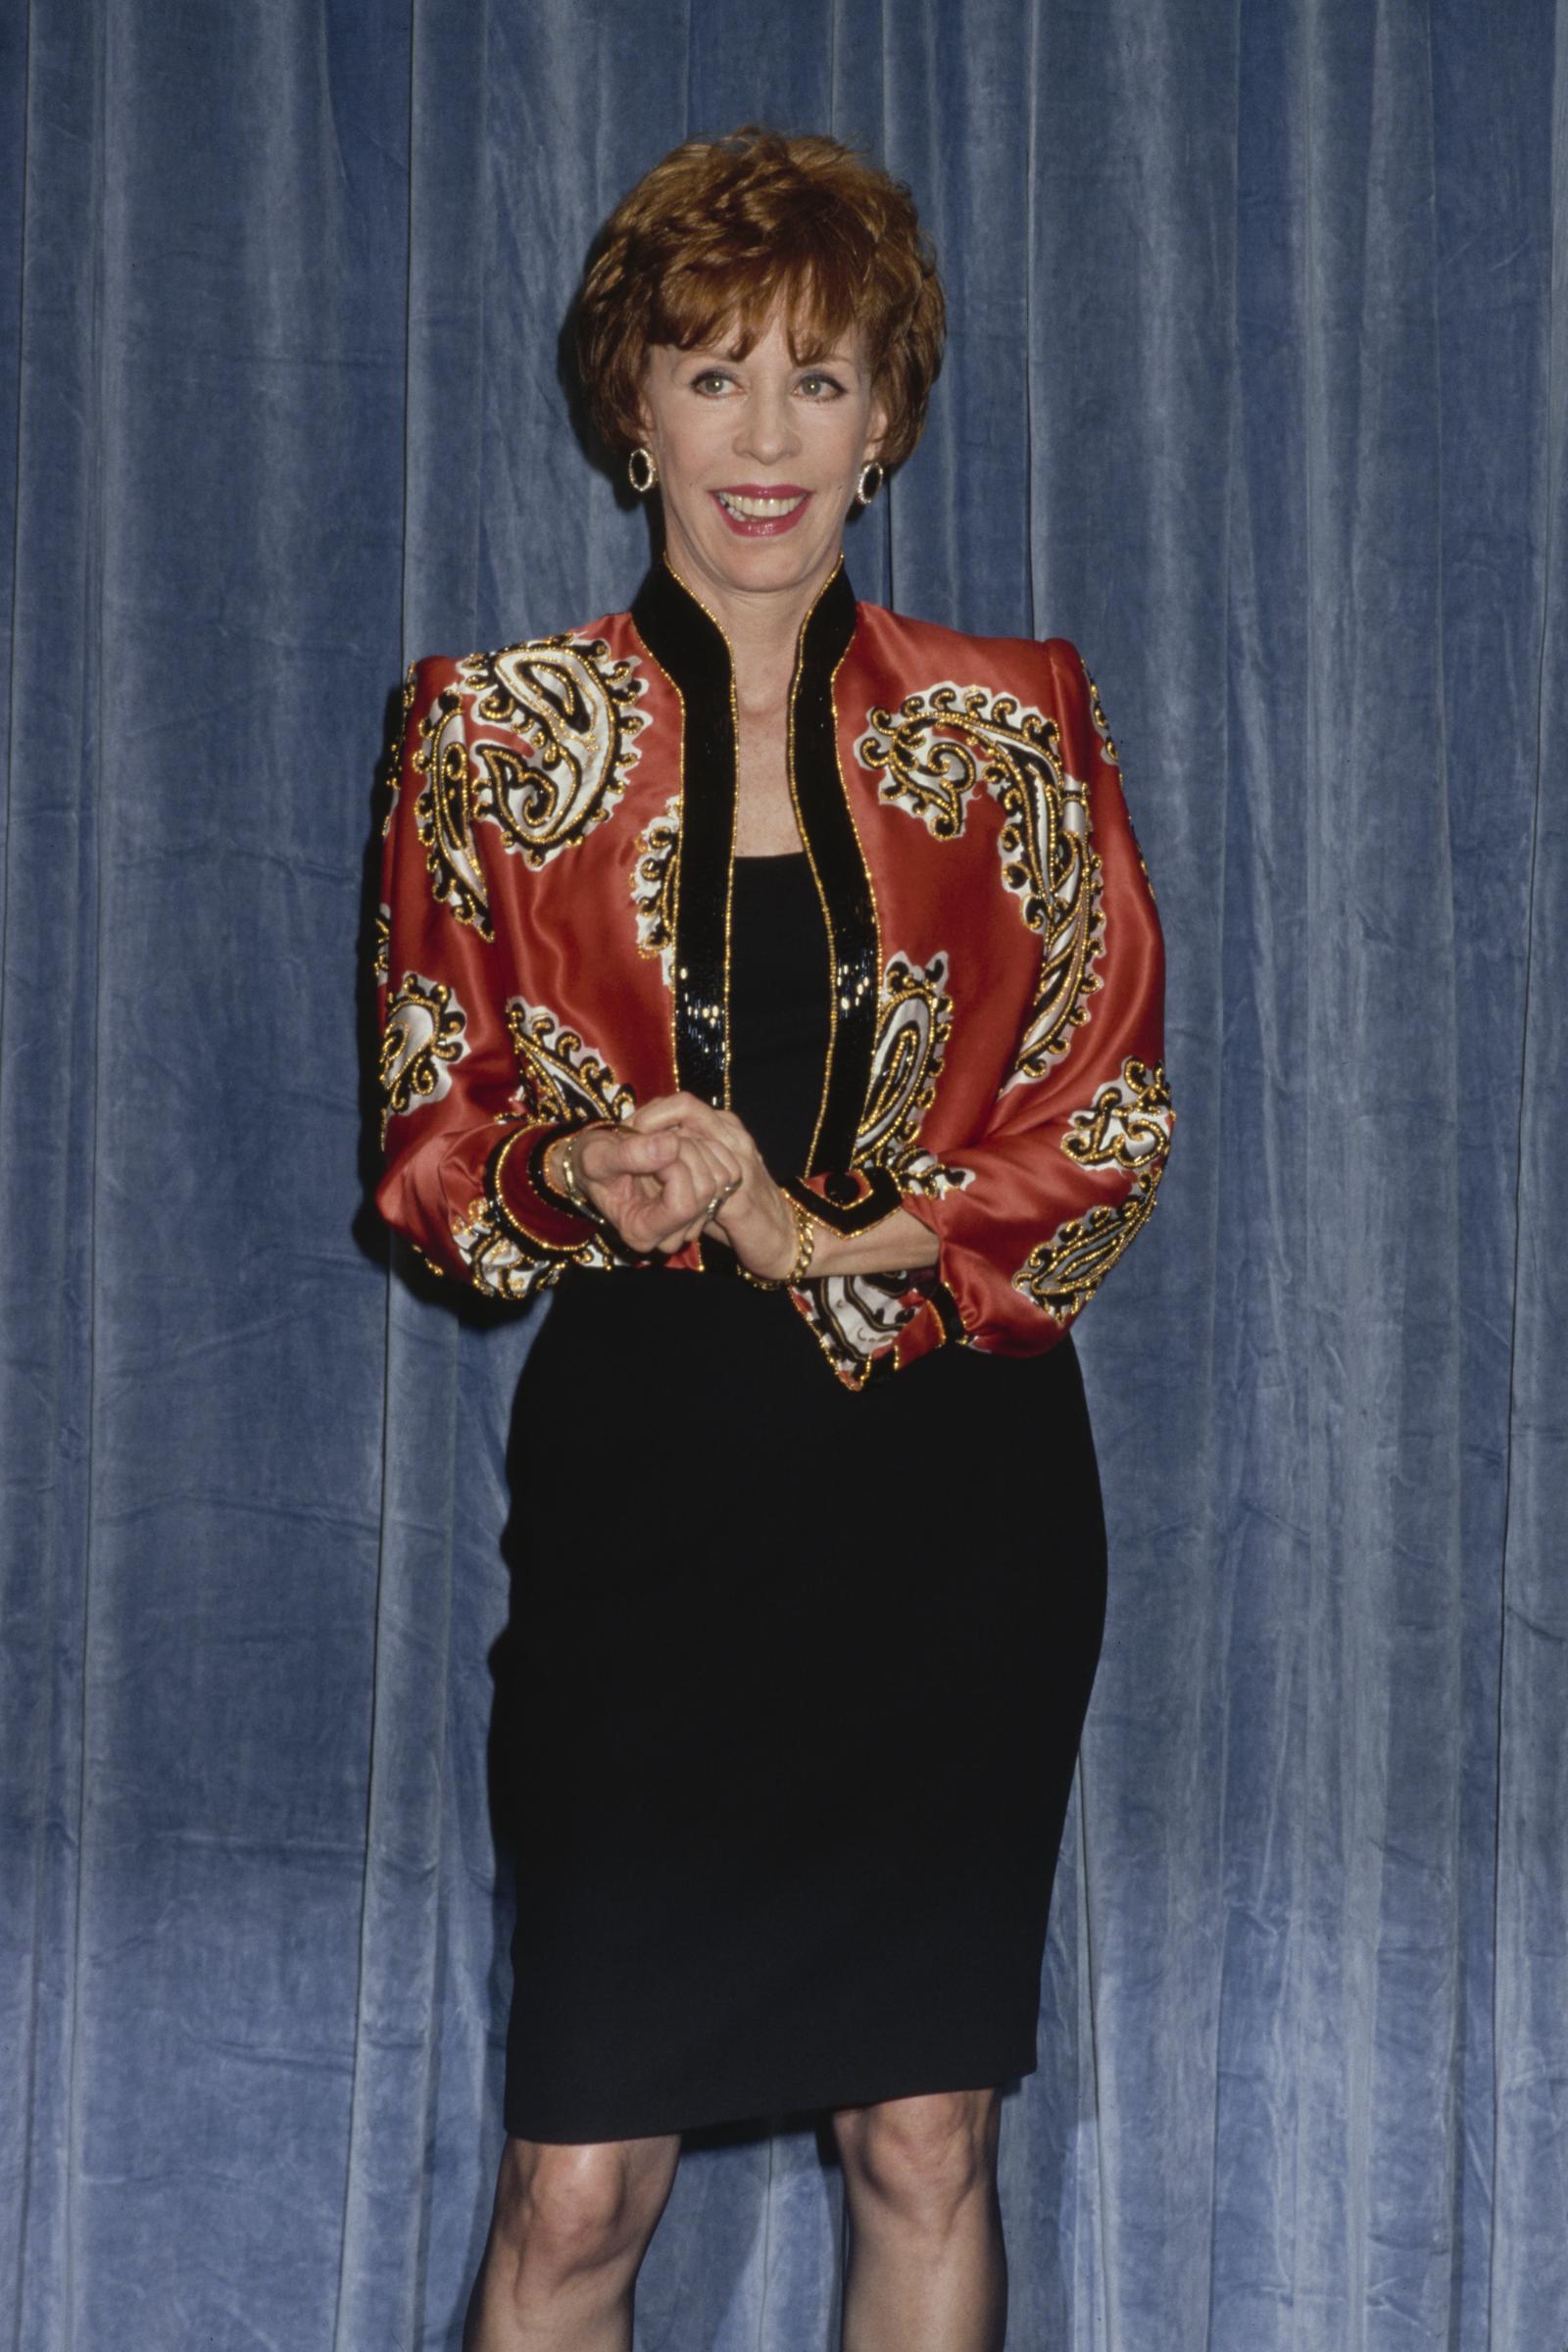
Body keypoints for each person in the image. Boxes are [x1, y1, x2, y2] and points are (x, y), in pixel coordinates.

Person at [375, 124, 1172, 2352]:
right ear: (624, 401)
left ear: (887, 423)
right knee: (572, 2189)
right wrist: (582, 1181)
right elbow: (433, 1157)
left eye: (818, 382)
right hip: (649, 1507)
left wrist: (813, 1227)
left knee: (921, 2143)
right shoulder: (484, 733)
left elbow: (1097, 1128)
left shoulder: (1016, 731)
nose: (762, 436)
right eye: (709, 371)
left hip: (953, 1504)